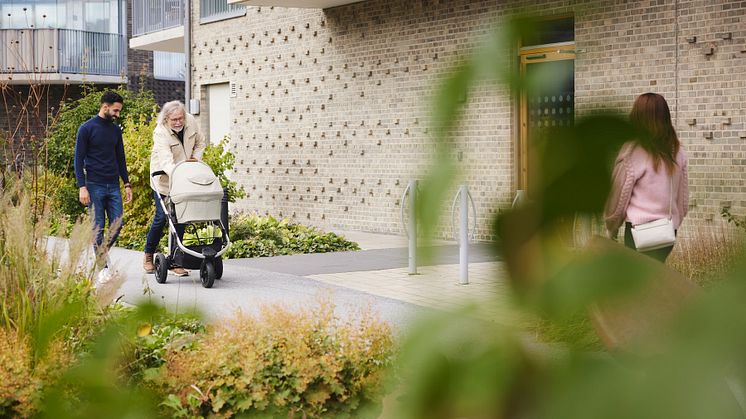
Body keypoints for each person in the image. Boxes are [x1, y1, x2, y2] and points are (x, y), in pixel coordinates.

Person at [604, 92, 689, 262]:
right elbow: (683, 198)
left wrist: (611, 228)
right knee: (656, 278)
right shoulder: (677, 151)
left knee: (639, 282)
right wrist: (674, 224)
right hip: (667, 232)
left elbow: (618, 197)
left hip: (638, 232)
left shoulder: (632, 151)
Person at [143, 100, 206, 276]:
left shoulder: (190, 121)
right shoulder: (160, 132)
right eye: (174, 120)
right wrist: (181, 174)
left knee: (181, 218)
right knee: (162, 218)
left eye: (180, 118)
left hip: (185, 179)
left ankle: (176, 261)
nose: (178, 122)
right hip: (164, 180)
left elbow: (201, 143)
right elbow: (166, 161)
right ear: (166, 120)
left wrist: (195, 158)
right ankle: (149, 254)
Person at [74, 91, 133, 274]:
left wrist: (127, 184)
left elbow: (120, 158)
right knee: (97, 227)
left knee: (118, 223)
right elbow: (78, 159)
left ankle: (102, 251)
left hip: (113, 184)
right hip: (94, 185)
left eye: (119, 111)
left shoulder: (116, 130)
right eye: (115, 110)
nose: (117, 114)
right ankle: (103, 268)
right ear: (105, 107)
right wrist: (82, 187)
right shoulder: (86, 128)